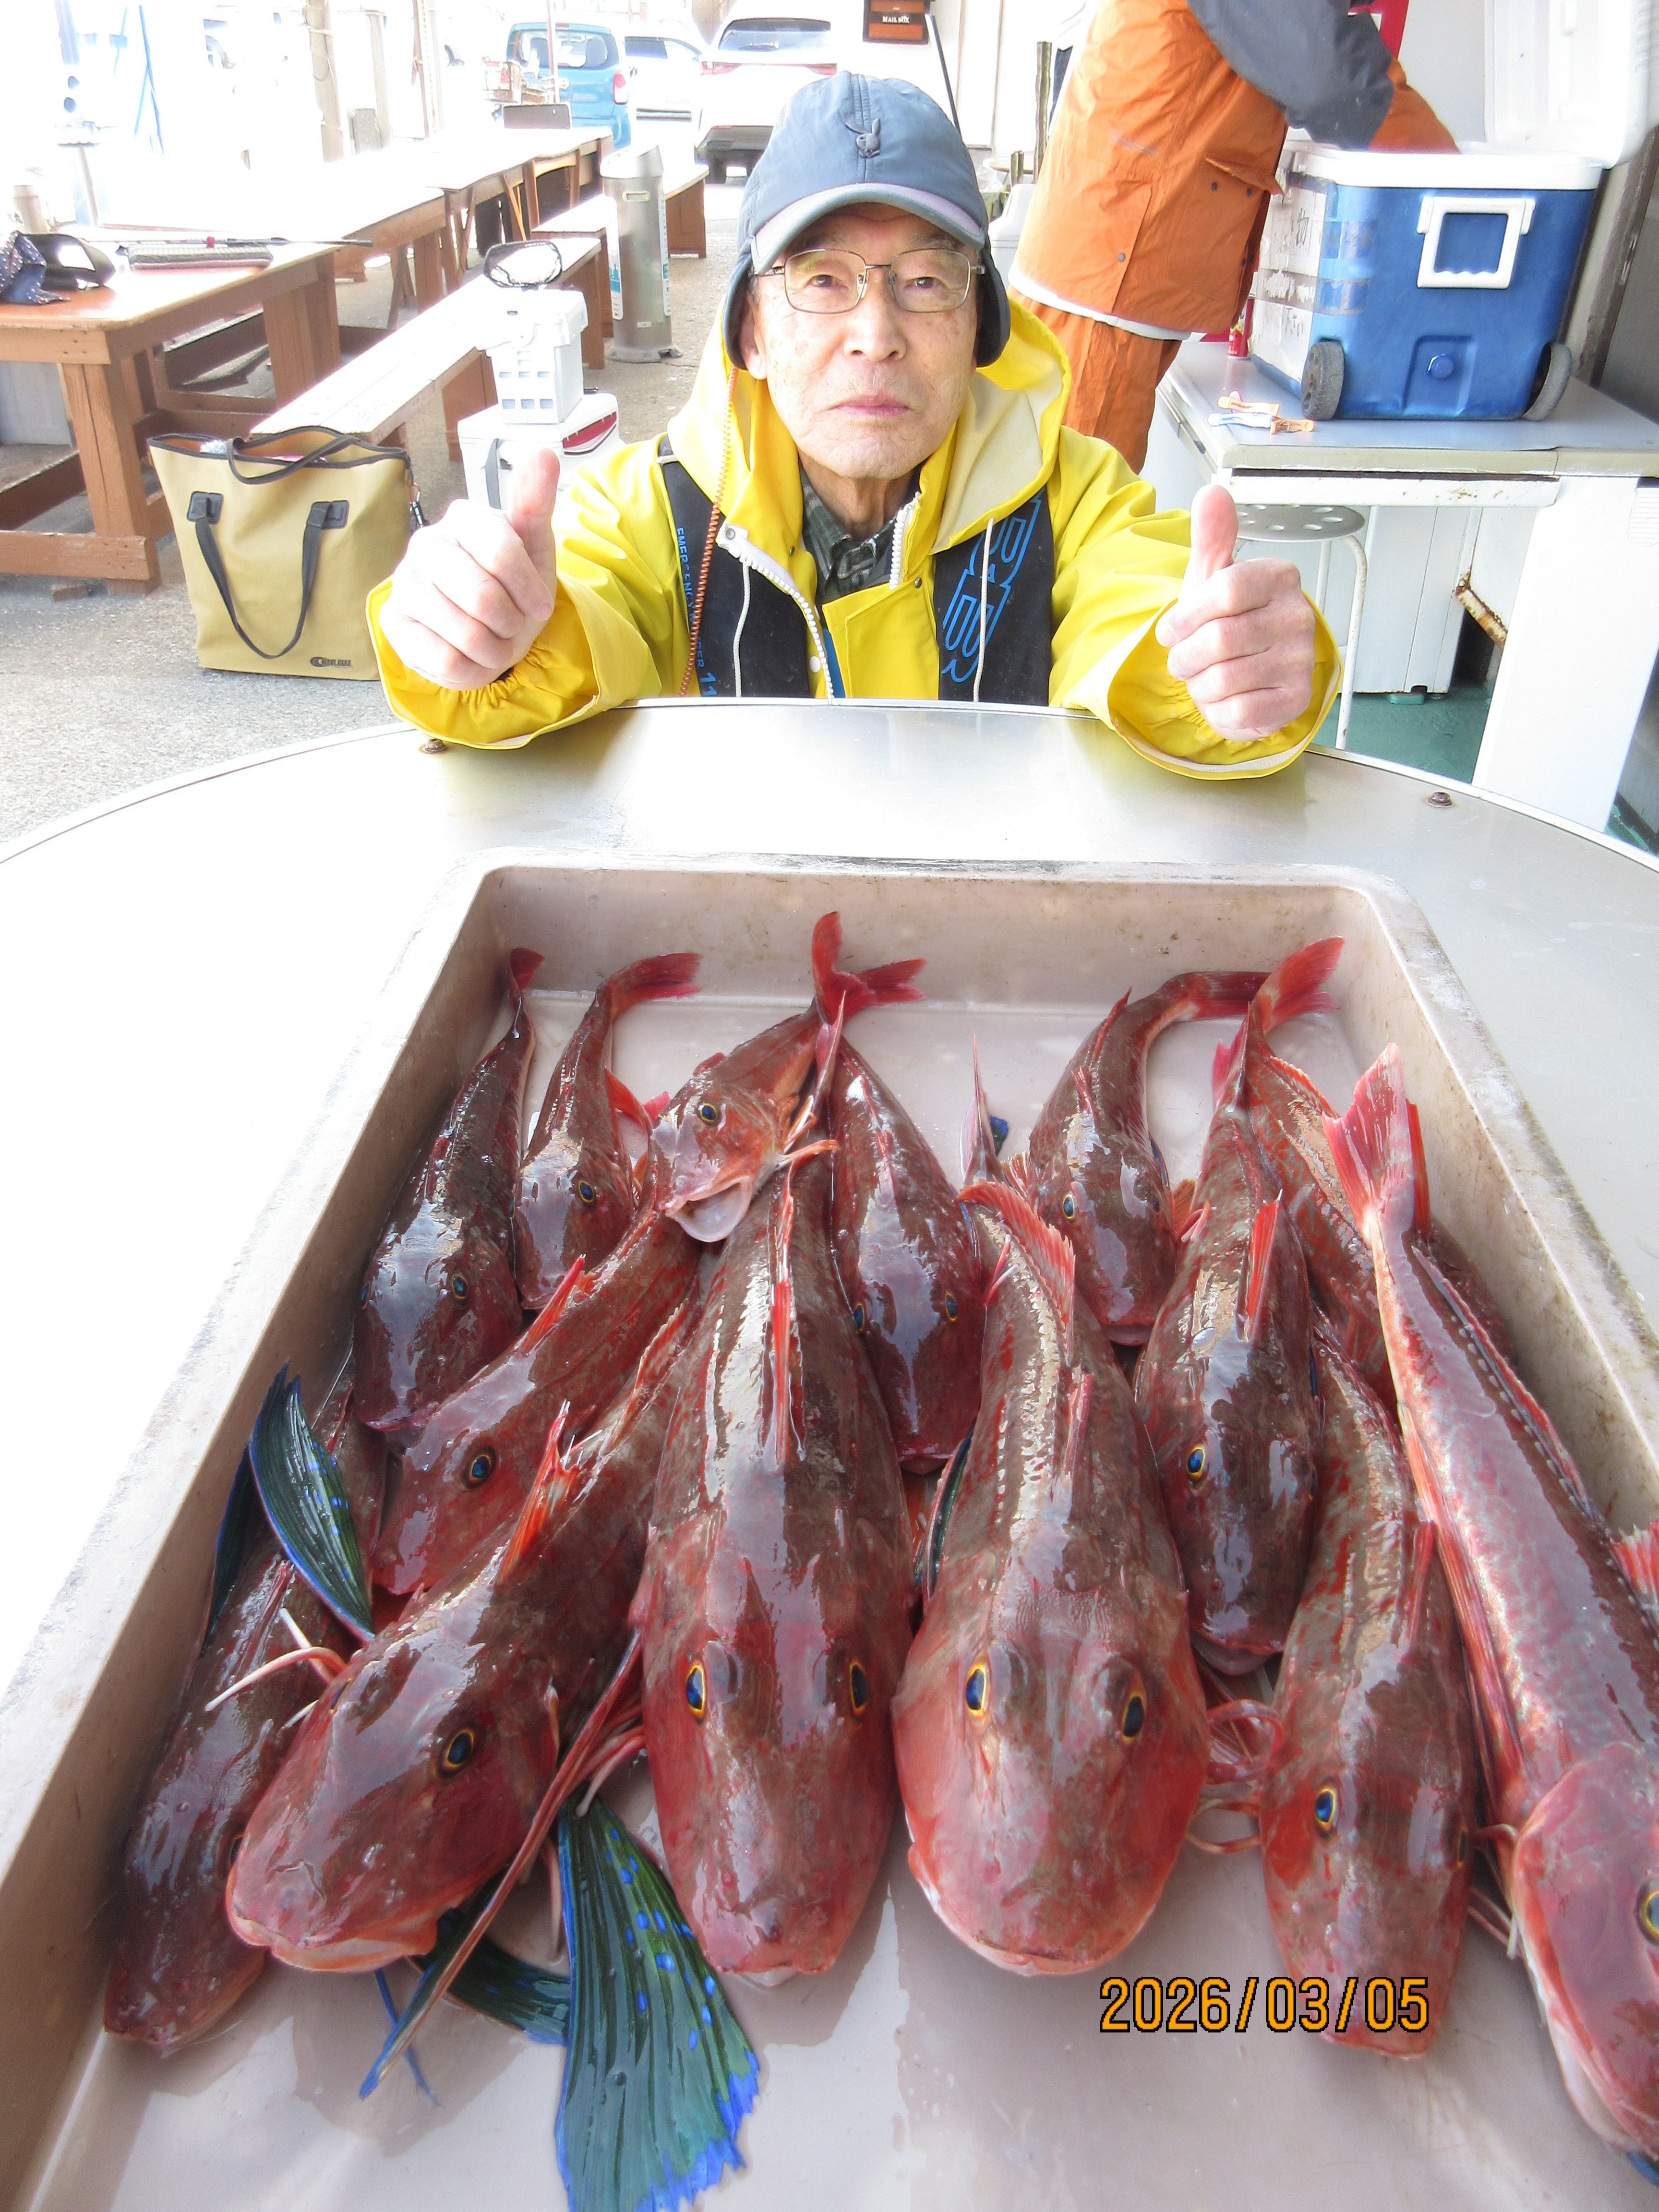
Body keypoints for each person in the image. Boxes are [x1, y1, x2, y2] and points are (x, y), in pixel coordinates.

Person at [370, 72, 1337, 775]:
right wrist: (490, 632)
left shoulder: (1078, 499)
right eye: (824, 281)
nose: (876, 335)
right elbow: (566, 625)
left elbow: (1147, 626)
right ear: (750, 330)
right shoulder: (642, 510)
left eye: (925, 281)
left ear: (979, 327)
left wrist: (1212, 668)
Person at [1011, 0, 1456, 469]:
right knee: (1070, 503)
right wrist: (1455, 178)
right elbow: (1328, 75)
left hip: (1110, 264)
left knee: (1073, 492)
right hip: (1108, 276)